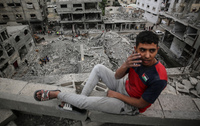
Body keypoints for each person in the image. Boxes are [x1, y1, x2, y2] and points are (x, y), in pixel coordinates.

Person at [34, 31, 167, 115]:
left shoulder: (159, 77)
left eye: (152, 51)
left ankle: (56, 94)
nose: (147, 55)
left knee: (84, 102)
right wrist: (126, 64)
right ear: (136, 48)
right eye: (142, 50)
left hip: (130, 105)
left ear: (157, 50)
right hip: (124, 86)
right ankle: (81, 101)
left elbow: (141, 104)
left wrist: (116, 95)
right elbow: (117, 76)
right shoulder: (135, 58)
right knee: (98, 68)